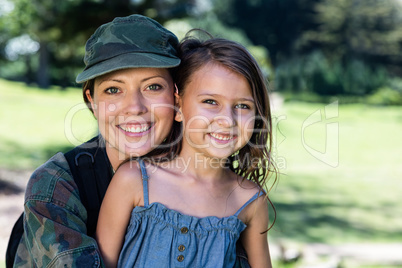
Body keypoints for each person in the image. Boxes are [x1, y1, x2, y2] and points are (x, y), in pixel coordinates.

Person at [12, 14, 181, 267]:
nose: (134, 107)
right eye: (113, 89)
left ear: (177, 96)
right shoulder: (57, 187)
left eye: (153, 87)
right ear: (91, 101)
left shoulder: (205, 177)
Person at [96, 33, 277, 268]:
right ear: (178, 107)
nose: (227, 120)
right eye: (210, 102)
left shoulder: (249, 200)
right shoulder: (134, 180)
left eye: (243, 106)